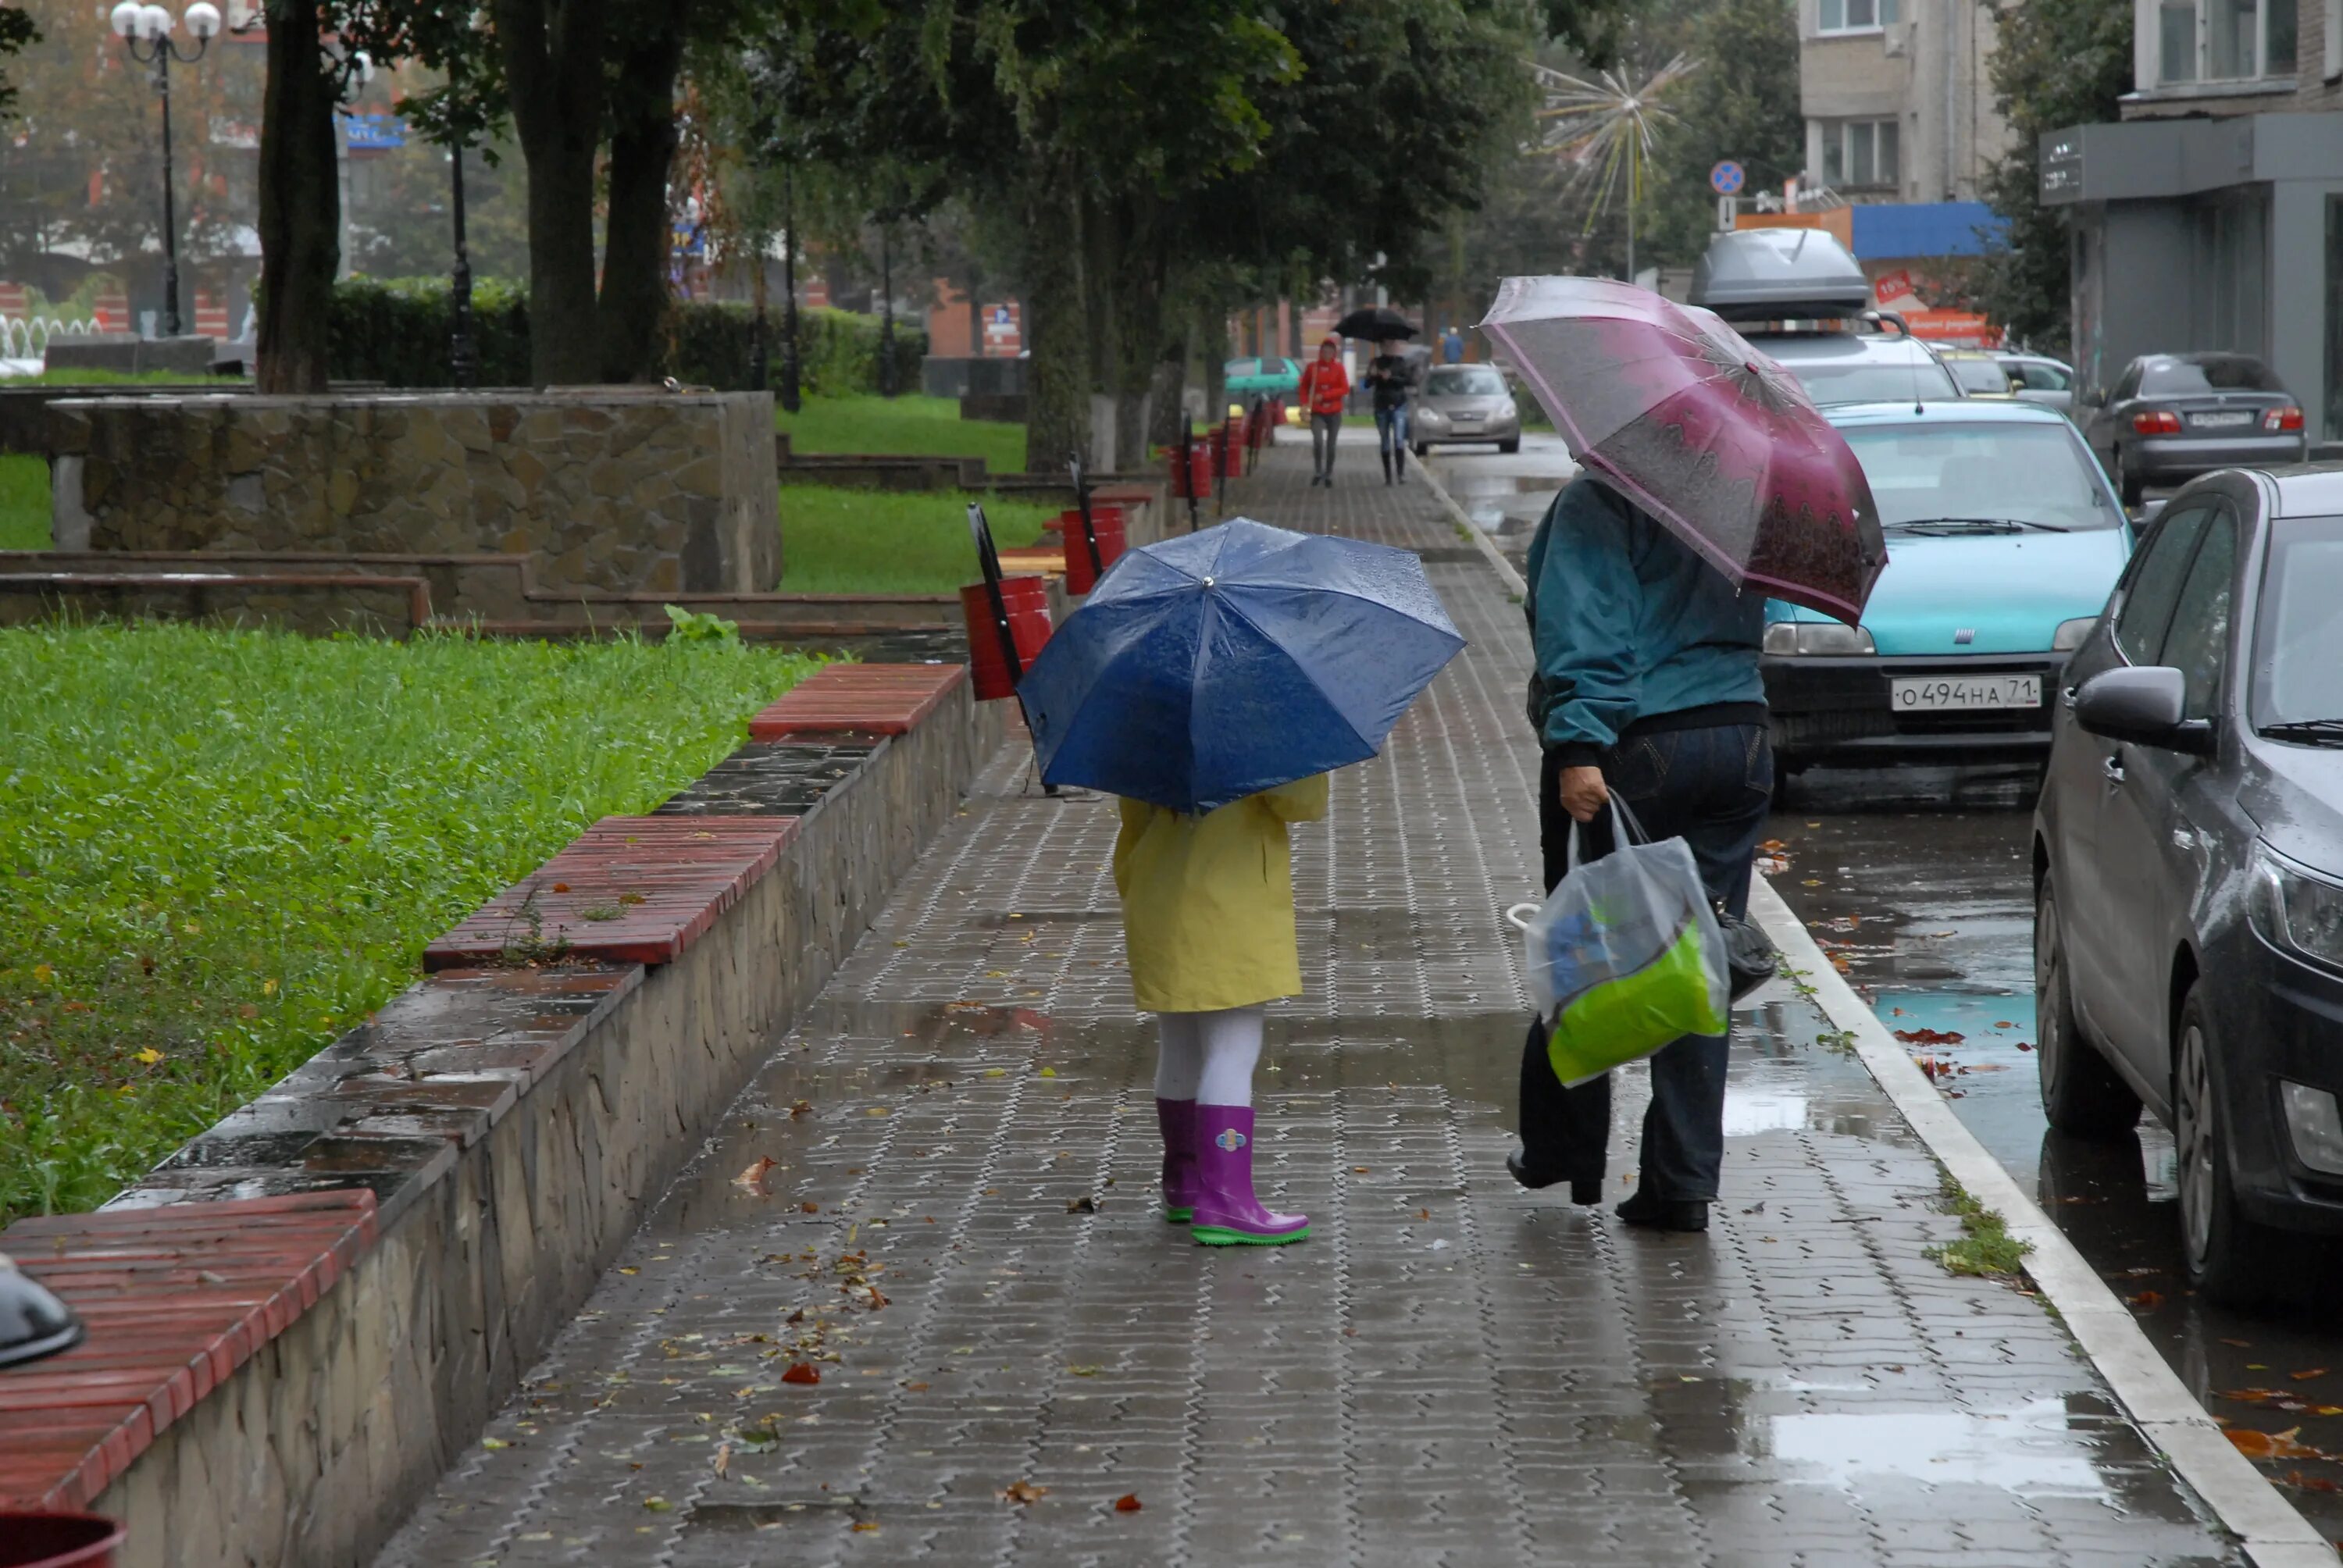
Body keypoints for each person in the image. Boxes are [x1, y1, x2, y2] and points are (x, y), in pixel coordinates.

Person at [1510, 474, 1770, 1234]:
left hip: (1639, 743)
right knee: (1702, 964)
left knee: (1590, 949)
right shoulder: (1739, 495)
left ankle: (1567, 1153)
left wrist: (1578, 744)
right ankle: (1681, 1182)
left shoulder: (1602, 499)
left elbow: (1581, 620)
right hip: (1741, 736)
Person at [1117, 775, 1328, 1245]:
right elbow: (1301, 802)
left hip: (1158, 897)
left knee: (1178, 1042)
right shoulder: (1253, 727)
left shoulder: (1145, 716)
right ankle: (1227, 1198)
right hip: (1229, 905)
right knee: (1231, 1049)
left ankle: (1185, 1183)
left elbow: (1130, 816)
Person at [1297, 338, 1350, 488]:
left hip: (1334, 411)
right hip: (1317, 412)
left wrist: (1326, 395)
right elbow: (1303, 388)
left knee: (1331, 445)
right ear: (1320, 352)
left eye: (1330, 351)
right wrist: (1304, 404)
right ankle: (1318, 471)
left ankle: (1329, 473)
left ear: (1334, 353)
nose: (1327, 354)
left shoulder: (1339, 368)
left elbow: (1344, 389)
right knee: (1318, 441)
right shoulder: (1312, 368)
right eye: (1324, 351)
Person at [1364, 344, 1417, 485]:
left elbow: (1410, 380)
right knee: (1385, 441)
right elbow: (1366, 384)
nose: (1390, 348)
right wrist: (1374, 376)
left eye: (1392, 345)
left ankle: (1400, 474)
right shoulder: (1375, 362)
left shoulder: (1401, 362)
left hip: (1399, 403)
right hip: (1381, 405)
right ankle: (1388, 476)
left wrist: (1391, 377)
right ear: (1382, 347)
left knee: (1399, 439)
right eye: (1386, 345)